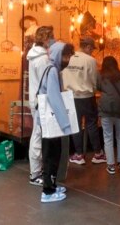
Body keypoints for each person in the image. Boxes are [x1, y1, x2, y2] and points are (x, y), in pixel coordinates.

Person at [36, 41, 75, 203]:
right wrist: (65, 122)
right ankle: (48, 191)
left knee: (51, 153)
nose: (68, 59)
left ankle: (51, 185)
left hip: (48, 120)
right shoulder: (52, 71)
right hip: (51, 121)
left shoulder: (51, 69)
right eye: (66, 55)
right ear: (59, 55)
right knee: (51, 154)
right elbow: (54, 97)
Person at [64, 36, 104, 165]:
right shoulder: (90, 60)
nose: (92, 51)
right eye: (92, 49)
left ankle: (79, 154)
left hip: (70, 96)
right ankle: (98, 153)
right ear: (87, 47)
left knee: (75, 125)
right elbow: (94, 80)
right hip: (86, 96)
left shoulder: (69, 58)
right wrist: (93, 89)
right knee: (91, 124)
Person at [26, 26, 54, 186]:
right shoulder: (43, 59)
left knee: (37, 134)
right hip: (41, 100)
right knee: (37, 135)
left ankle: (35, 170)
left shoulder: (34, 56)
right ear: (46, 38)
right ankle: (35, 173)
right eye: (51, 37)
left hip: (35, 99)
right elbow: (46, 82)